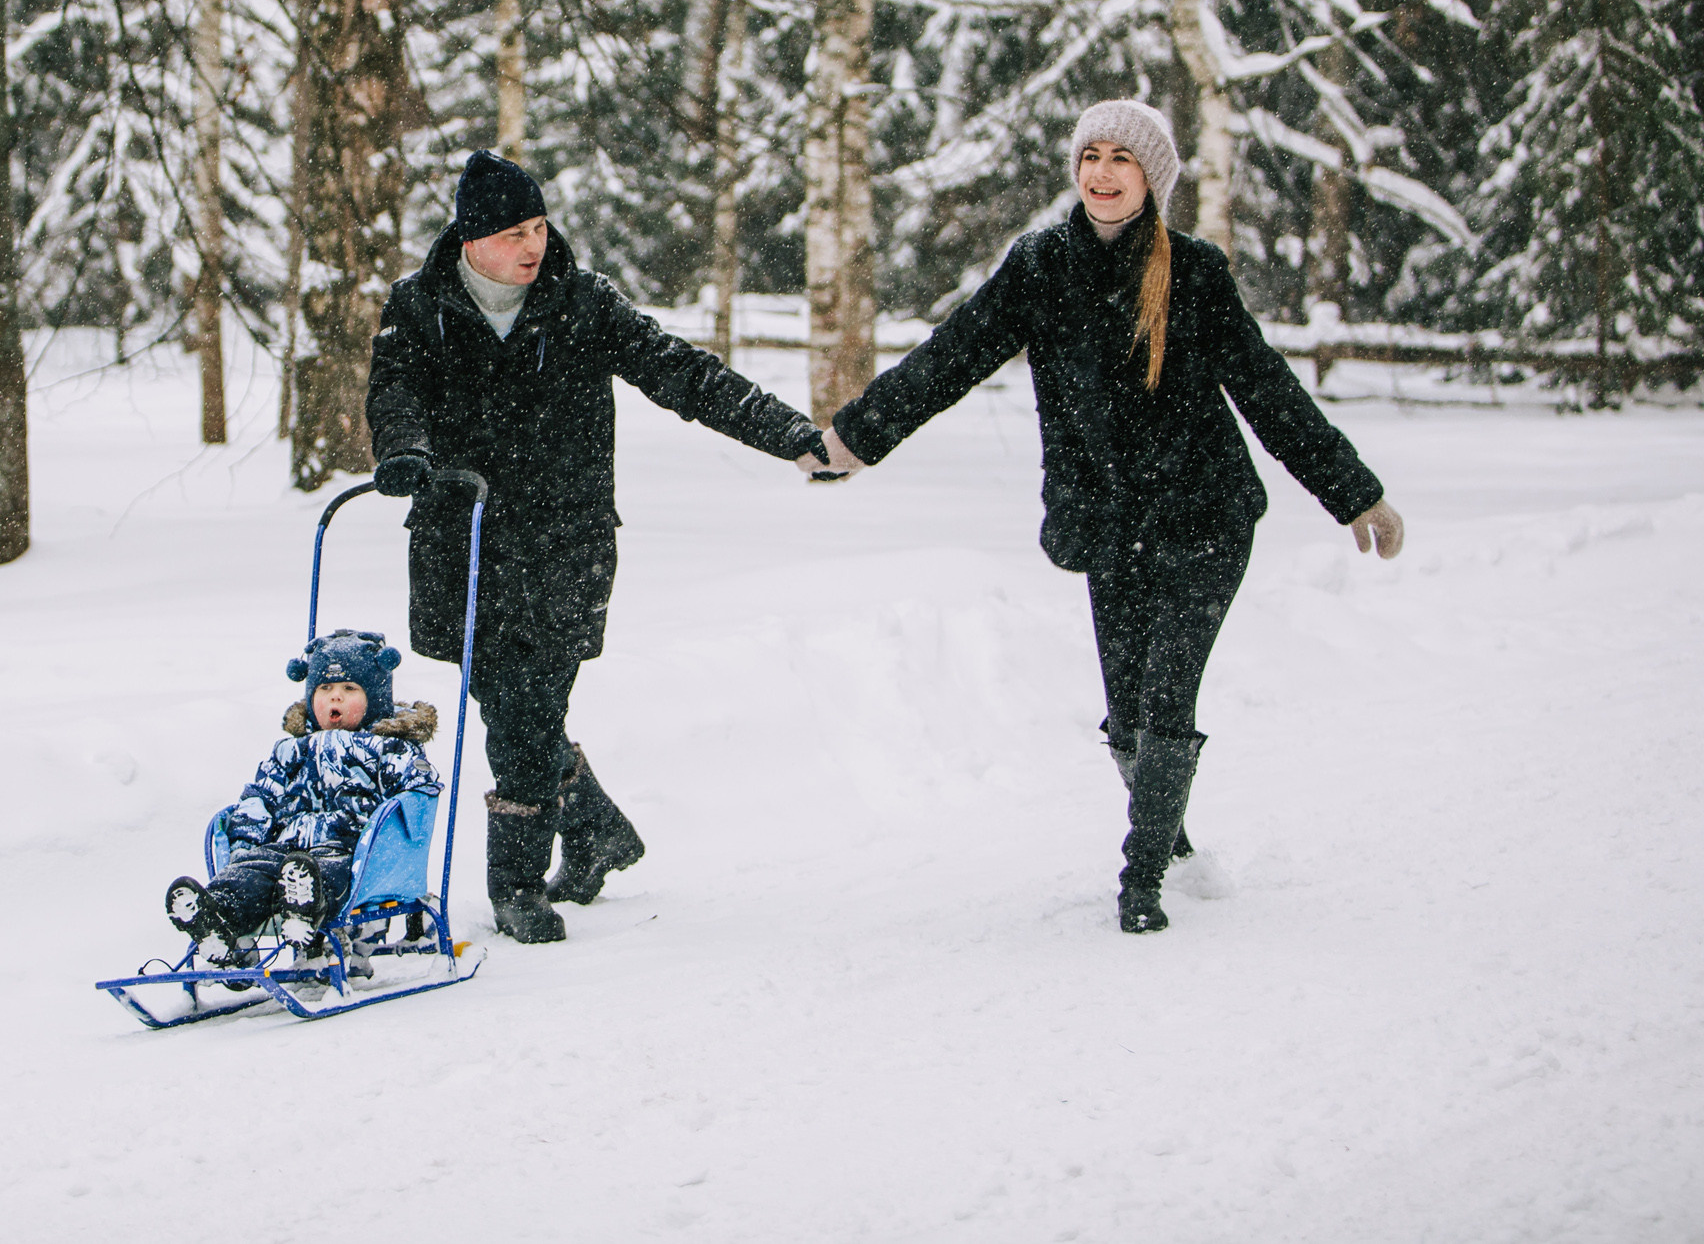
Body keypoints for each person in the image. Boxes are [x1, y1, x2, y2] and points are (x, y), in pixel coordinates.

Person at [809, 100, 1405, 933]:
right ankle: (1176, 835)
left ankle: (1143, 877)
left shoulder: (1195, 273)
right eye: (1090, 153)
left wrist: (1354, 491)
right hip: (1111, 527)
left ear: (1151, 177)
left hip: (1205, 519)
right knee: (1126, 718)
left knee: (1165, 700)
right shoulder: (1042, 266)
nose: (1101, 170)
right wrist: (857, 437)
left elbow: (1270, 393)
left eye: (1122, 156)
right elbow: (953, 356)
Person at [366, 150, 839, 943]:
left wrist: (790, 435)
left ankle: (516, 883)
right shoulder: (419, 306)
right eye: (515, 232)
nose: (534, 245)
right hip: (466, 539)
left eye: (541, 226)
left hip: (562, 544)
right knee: (508, 705)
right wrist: (404, 448)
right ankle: (595, 829)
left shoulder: (583, 302)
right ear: (471, 238)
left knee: (523, 715)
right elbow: (393, 388)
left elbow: (682, 374)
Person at [164, 629, 442, 962]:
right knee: (251, 874)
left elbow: (418, 789)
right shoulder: (290, 750)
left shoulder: (389, 747)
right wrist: (243, 847)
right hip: (283, 847)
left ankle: (305, 908)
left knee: (323, 874)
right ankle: (217, 920)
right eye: (325, 689)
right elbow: (261, 796)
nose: (334, 698)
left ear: (376, 697)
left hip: (351, 850)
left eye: (349, 689)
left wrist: (414, 784)